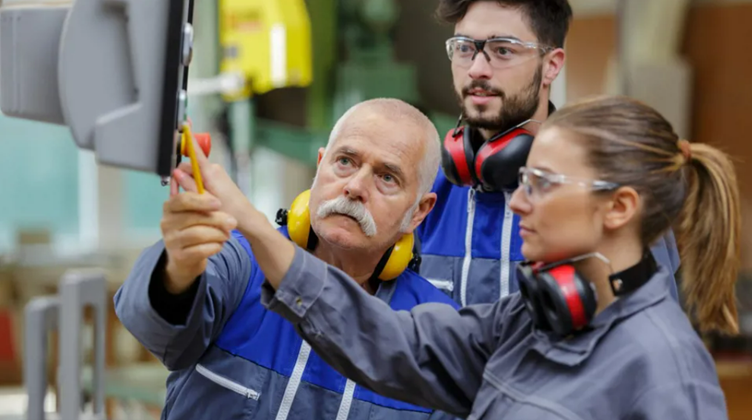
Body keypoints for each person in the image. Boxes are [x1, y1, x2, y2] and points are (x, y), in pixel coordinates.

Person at [214, 95, 740, 419]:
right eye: (524, 181)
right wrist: (257, 229)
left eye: (543, 185)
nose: (517, 201)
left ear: (619, 207)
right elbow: (392, 342)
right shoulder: (528, 320)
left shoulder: (668, 371)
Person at [114, 98, 461, 420]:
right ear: (320, 164)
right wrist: (180, 270)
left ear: (420, 211)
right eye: (345, 162)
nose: (355, 186)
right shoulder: (240, 262)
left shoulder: (433, 334)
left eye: (386, 177)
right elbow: (151, 327)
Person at [415, 0, 681, 306]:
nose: (476, 69)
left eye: (503, 50)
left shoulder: (609, 198)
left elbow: (643, 337)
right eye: (464, 48)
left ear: (551, 65)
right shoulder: (428, 194)